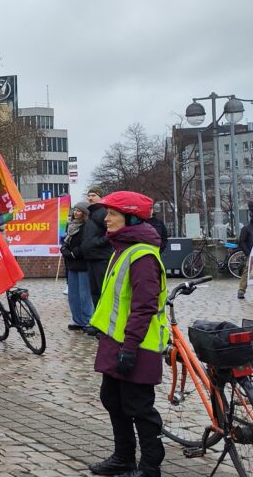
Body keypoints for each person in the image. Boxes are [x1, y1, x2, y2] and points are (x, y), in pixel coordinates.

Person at [87, 191, 166, 477]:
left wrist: (129, 347)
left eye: (113, 214)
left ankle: (150, 466)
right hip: (116, 341)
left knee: (139, 407)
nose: (106, 219)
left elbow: (144, 306)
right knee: (112, 399)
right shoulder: (123, 248)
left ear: (130, 218)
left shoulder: (142, 255)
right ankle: (123, 458)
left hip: (136, 344)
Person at [62, 201, 94, 332]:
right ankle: (77, 320)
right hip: (71, 264)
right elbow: (65, 241)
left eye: (79, 210)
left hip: (83, 264)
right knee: (73, 295)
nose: (76, 213)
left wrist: (75, 253)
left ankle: (88, 321)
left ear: (85, 213)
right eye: (75, 210)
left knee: (84, 294)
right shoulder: (70, 226)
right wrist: (64, 250)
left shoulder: (87, 227)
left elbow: (86, 244)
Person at [82, 187, 113, 307]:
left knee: (102, 291)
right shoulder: (92, 213)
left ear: (101, 197)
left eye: (93, 195)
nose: (90, 198)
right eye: (89, 195)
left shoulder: (103, 212)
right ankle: (97, 322)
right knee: (94, 292)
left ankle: (104, 322)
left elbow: (111, 231)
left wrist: (98, 242)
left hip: (101, 257)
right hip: (91, 257)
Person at [238, 218, 252, 300]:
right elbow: (241, 242)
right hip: (251, 253)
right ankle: (241, 290)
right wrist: (248, 253)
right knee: (247, 270)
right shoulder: (246, 228)